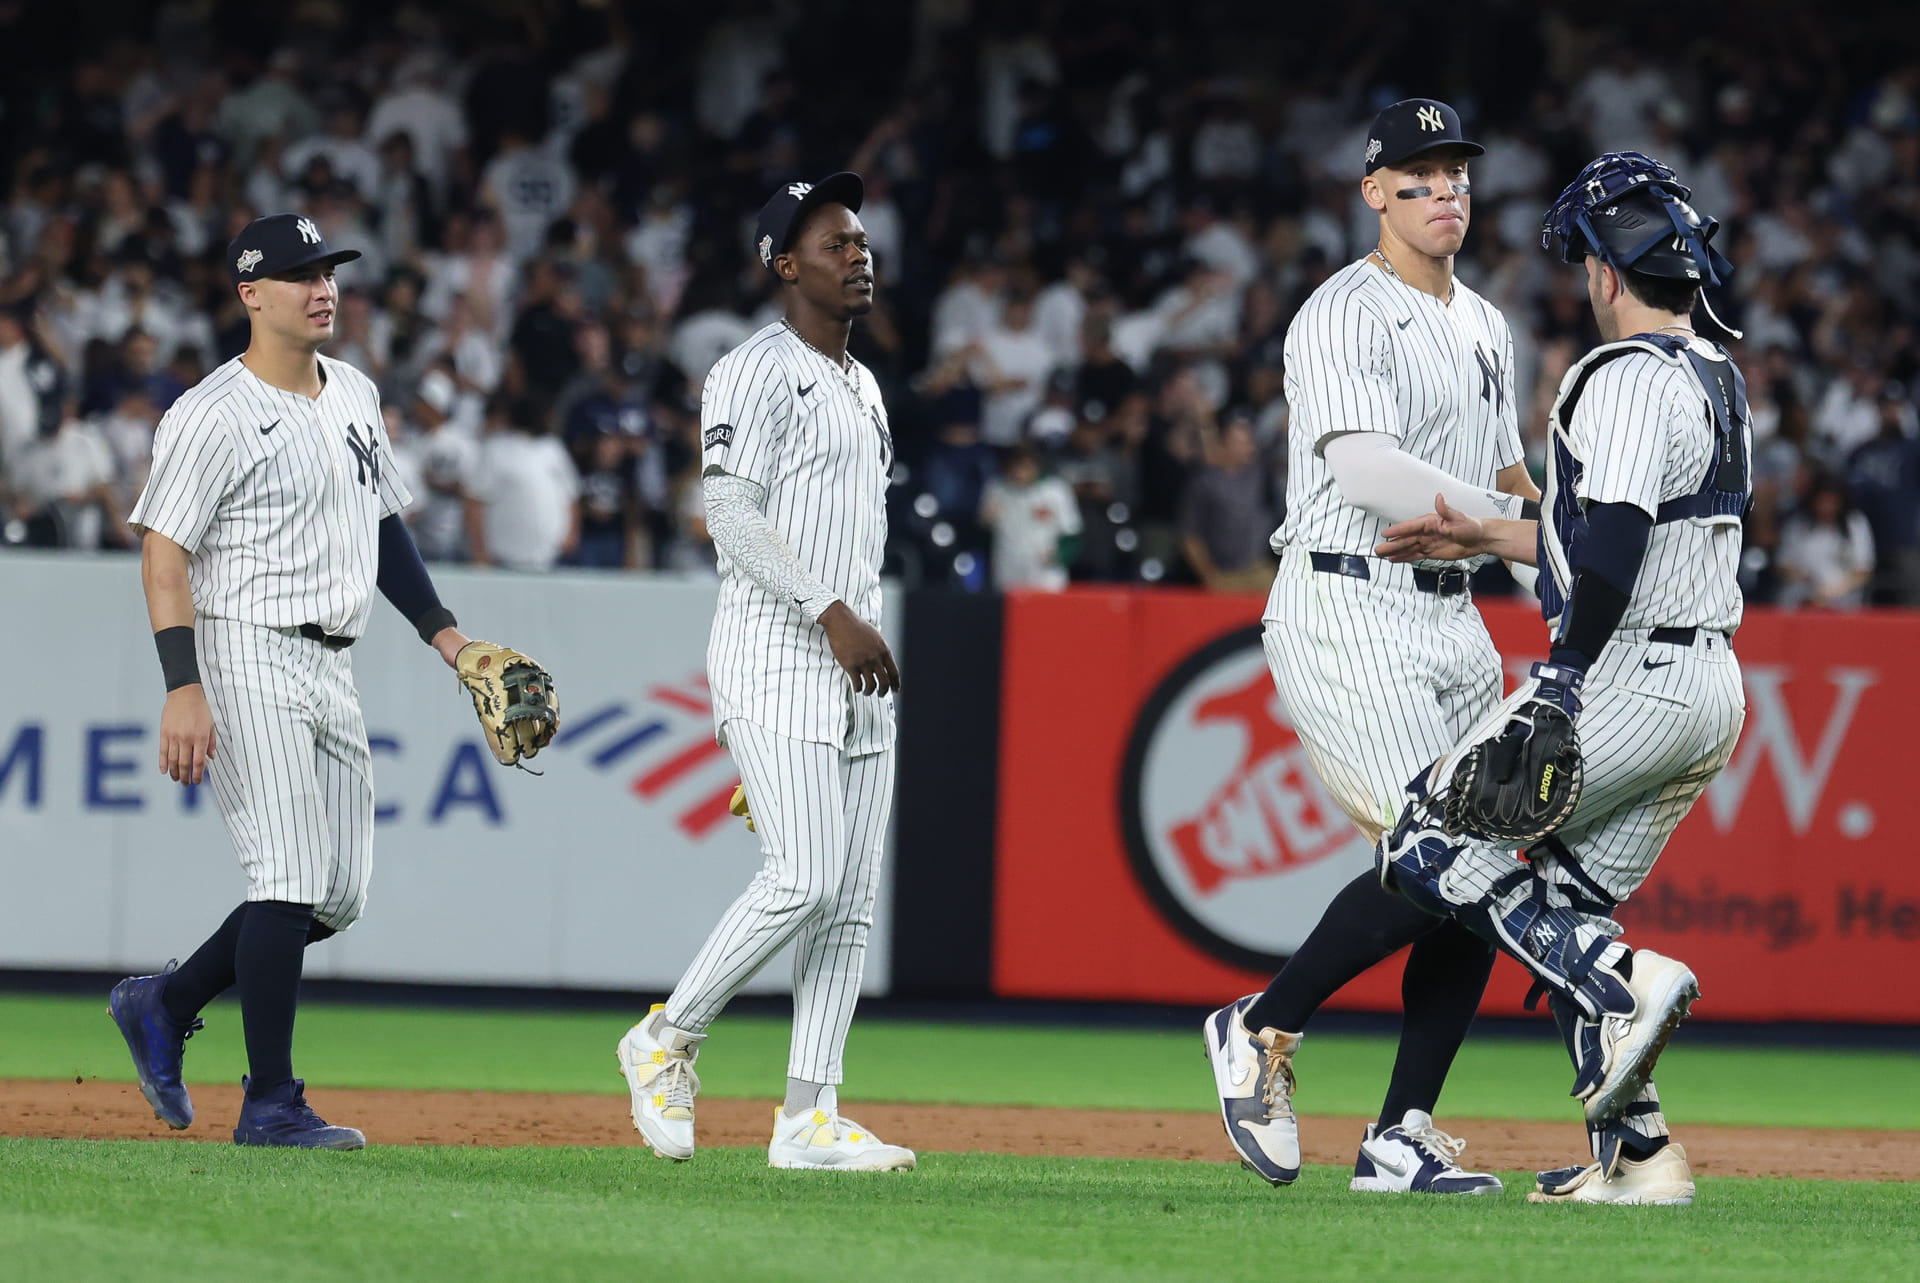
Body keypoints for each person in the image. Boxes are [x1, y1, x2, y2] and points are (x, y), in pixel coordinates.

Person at [1375, 151, 1752, 1206]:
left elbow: (1617, 545)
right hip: (1710, 680)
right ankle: (1638, 1156)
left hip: (1627, 667)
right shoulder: (1716, 373)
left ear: (1602, 269)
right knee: (1553, 896)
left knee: (1426, 838)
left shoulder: (1620, 374)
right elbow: (1620, 531)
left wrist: (1558, 681)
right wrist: (1491, 532)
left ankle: (1613, 986)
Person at [1201, 99, 1540, 1193]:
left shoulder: (1488, 324)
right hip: (1350, 602)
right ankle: (1263, 1022)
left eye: (1457, 174)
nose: (1446, 191)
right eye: (1419, 175)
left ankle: (1399, 1136)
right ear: (1373, 193)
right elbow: (1367, 473)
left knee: (1479, 862)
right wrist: (1499, 523)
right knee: (1444, 848)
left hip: (1452, 613)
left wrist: (1558, 574)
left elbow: (1512, 477)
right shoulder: (1343, 310)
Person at [107, 213, 497, 1148]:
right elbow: (164, 555)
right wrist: (181, 682)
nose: (323, 287)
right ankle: (271, 1103)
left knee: (334, 894)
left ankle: (165, 1000)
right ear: (250, 294)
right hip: (243, 647)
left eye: (328, 271)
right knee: (284, 875)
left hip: (333, 659)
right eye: (298, 274)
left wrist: (447, 636)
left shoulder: (356, 392)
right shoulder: (210, 412)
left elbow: (382, 529)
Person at [615, 173, 914, 1172]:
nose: (858, 254)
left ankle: (808, 1116)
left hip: (854, 657)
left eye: (862, 239)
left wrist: (854, 622)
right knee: (803, 873)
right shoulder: (752, 368)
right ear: (786, 264)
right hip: (782, 645)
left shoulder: (863, 385)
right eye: (834, 242)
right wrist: (831, 612)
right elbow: (730, 515)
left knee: (851, 897)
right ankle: (667, 1036)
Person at [981, 440, 1081, 590]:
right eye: (1015, 467)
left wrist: (1059, 557)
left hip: (1045, 573)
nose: (1020, 473)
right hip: (1007, 570)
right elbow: (985, 530)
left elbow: (1072, 533)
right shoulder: (996, 489)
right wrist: (986, 521)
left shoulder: (1054, 490)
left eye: (1026, 467)